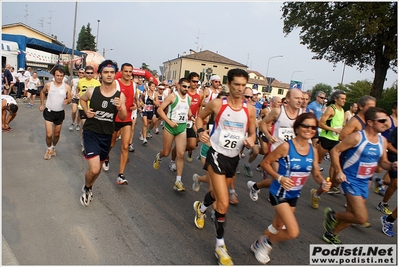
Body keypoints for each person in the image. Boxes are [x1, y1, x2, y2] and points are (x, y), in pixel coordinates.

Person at [193, 68, 256, 265]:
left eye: (243, 85)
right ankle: (220, 246)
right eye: (236, 84)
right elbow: (198, 117)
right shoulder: (218, 104)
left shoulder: (250, 109)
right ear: (228, 84)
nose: (239, 89)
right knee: (223, 202)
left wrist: (251, 141)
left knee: (214, 193)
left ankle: (201, 208)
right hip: (217, 154)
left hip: (233, 158)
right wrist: (201, 131)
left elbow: (253, 133)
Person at [250, 113, 331, 264]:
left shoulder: (312, 149)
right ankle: (265, 244)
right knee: (293, 232)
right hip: (279, 193)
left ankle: (259, 243)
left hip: (294, 195)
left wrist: (322, 183)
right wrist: (279, 178)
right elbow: (265, 163)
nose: (310, 129)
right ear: (297, 128)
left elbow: (315, 173)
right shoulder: (286, 146)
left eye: (313, 127)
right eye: (306, 126)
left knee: (278, 226)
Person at [322, 107, 397, 245]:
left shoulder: (382, 141)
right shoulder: (357, 137)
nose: (385, 123)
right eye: (381, 120)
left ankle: (331, 233)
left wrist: (392, 166)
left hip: (364, 181)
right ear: (370, 122)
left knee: (352, 215)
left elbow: (383, 162)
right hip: (350, 179)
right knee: (361, 217)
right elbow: (334, 151)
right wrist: (338, 171)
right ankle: (332, 215)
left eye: (386, 120)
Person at [79, 59, 127, 207]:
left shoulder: (120, 96)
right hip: (91, 132)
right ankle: (86, 188)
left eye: (112, 72)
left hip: (106, 135)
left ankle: (90, 186)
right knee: (94, 168)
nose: (109, 75)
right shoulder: (92, 91)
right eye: (106, 72)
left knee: (98, 168)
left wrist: (121, 108)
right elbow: (82, 100)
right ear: (100, 74)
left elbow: (124, 117)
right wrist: (87, 111)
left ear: (115, 74)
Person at [247, 88, 303, 201]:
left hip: (291, 152)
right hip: (276, 150)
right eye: (296, 98)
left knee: (280, 179)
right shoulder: (278, 111)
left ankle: (255, 186)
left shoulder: (302, 114)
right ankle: (275, 196)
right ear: (288, 99)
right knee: (279, 177)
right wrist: (268, 136)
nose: (299, 101)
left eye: (301, 99)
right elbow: (263, 123)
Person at [153, 77, 193, 191]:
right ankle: (159, 156)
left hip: (182, 128)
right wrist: (169, 122)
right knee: (166, 152)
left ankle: (178, 181)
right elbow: (160, 110)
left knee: (180, 155)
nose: (186, 89)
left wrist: (192, 116)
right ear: (179, 86)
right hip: (170, 127)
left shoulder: (189, 98)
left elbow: (187, 109)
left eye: (188, 87)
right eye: (184, 86)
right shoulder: (173, 96)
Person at [103, 63, 136, 185]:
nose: (128, 74)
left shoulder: (133, 85)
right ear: (121, 72)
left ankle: (120, 175)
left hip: (127, 119)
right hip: (114, 118)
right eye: (126, 71)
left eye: (130, 71)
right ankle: (106, 157)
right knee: (111, 143)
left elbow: (135, 100)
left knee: (125, 146)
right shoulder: (116, 83)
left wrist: (136, 105)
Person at [169, 72, 203, 171]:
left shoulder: (200, 94)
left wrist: (198, 118)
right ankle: (172, 161)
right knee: (179, 147)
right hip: (180, 122)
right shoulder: (184, 92)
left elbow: (199, 106)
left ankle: (179, 150)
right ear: (189, 81)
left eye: (197, 81)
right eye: (194, 81)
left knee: (192, 145)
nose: (196, 83)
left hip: (191, 122)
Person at [39, 66, 72, 160]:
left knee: (56, 134)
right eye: (57, 75)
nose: (59, 77)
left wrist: (68, 101)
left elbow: (70, 98)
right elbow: (42, 92)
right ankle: (48, 149)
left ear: (63, 76)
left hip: (60, 113)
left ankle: (53, 147)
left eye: (61, 75)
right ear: (54, 76)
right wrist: (42, 104)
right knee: (49, 134)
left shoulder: (66, 87)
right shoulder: (49, 85)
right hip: (49, 112)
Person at [76, 66, 101, 153]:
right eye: (88, 73)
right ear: (85, 73)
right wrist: (77, 95)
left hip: (94, 107)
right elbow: (78, 89)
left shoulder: (97, 83)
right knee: (85, 125)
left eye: (91, 73)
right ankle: (84, 145)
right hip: (83, 106)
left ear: (93, 73)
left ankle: (92, 143)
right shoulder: (80, 81)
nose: (89, 74)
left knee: (93, 127)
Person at [376, 125, 397, 215]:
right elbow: (388, 145)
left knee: (394, 184)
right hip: (395, 157)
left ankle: (381, 182)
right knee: (395, 183)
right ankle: (383, 204)